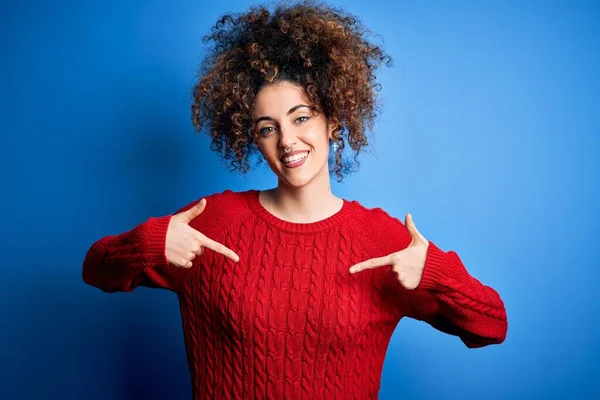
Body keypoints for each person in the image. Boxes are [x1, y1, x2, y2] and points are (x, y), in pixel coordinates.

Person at [82, 1, 508, 399]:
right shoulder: (212, 224)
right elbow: (96, 269)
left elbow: (491, 325)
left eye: (301, 117)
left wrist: (436, 272)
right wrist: (149, 243)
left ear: (334, 122)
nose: (287, 140)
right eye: (267, 128)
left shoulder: (384, 243)